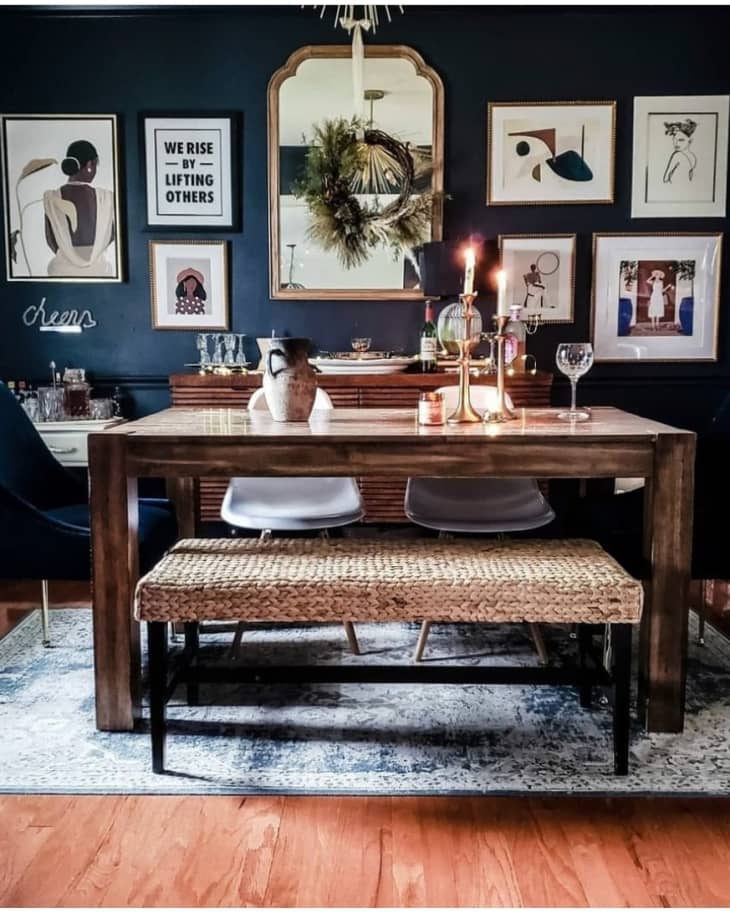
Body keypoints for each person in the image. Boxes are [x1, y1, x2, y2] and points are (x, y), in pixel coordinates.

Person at [43, 139, 115, 277]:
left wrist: (69, 256)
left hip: (61, 270)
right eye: (95, 165)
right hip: (99, 270)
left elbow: (50, 239)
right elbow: (111, 234)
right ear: (89, 164)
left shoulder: (51, 198)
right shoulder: (106, 198)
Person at [663, 119, 698, 184]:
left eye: (681, 140)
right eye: (674, 139)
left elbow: (665, 179)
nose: (676, 143)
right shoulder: (693, 156)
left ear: (690, 141)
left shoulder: (677, 155)